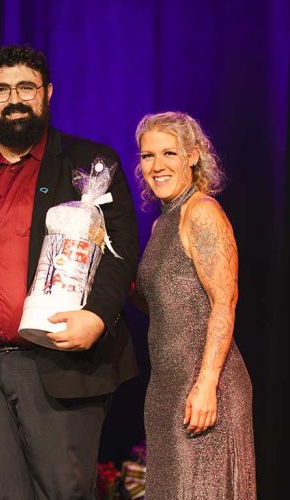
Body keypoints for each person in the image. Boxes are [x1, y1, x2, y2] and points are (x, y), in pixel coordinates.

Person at [0, 45, 140, 499]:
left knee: (64, 490)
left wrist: (99, 316)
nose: (14, 99)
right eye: (1, 89)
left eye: (26, 87)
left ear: (47, 93)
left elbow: (121, 249)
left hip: (54, 359)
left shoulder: (90, 163)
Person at [134, 111, 256, 498]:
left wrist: (206, 385)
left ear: (192, 155)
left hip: (206, 387)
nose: (157, 166)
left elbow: (225, 302)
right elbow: (164, 308)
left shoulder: (201, 211)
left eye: (169, 153)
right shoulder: (160, 224)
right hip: (166, 389)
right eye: (147, 156)